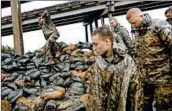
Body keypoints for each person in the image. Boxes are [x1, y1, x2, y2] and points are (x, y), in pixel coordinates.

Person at [80, 27, 141, 111]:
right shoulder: (99, 61)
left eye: (96, 44)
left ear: (107, 42)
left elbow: (136, 94)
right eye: (92, 45)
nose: (93, 48)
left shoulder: (127, 63)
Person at [126, 8, 172, 111]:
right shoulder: (137, 32)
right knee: (144, 107)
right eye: (131, 24)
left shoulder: (159, 25)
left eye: (134, 22)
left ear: (141, 16)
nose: (133, 25)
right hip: (145, 80)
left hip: (162, 79)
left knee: (164, 107)